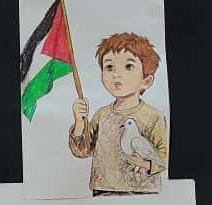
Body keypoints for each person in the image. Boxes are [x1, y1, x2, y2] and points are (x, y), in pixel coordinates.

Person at [68, 32, 168, 196]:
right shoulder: (102, 115)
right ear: (102, 76)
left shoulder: (153, 116)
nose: (116, 74)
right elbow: (83, 151)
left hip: (141, 192)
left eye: (128, 66)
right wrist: (79, 123)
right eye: (109, 67)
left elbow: (163, 159)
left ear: (146, 81)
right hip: (103, 190)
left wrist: (145, 164)